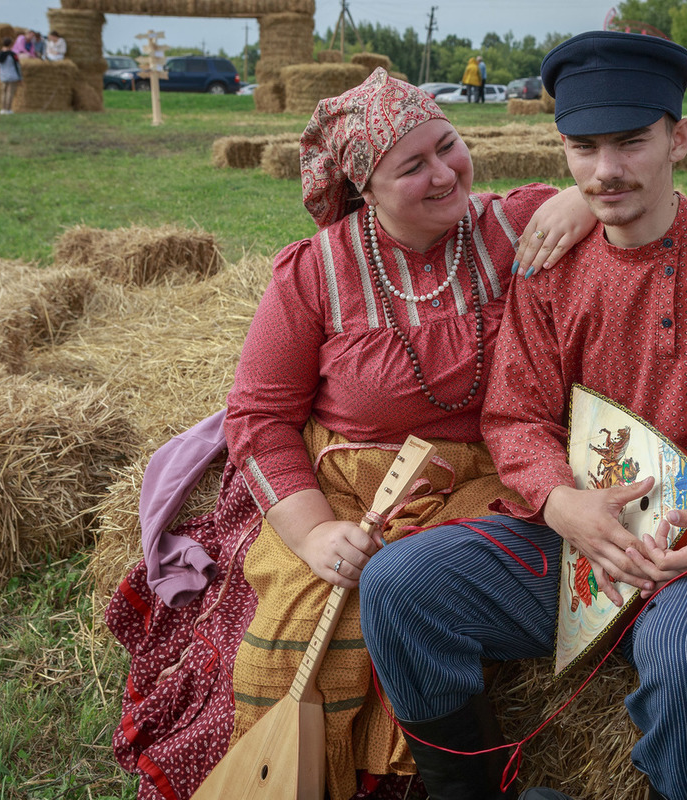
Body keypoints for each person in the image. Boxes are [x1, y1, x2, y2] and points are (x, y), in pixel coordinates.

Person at [359, 31, 687, 800]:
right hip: (577, 540)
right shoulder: (550, 265)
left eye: (630, 142)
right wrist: (564, 504)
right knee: (397, 584)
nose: (607, 170)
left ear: (679, 138)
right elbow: (517, 417)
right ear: (562, 150)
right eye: (584, 148)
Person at [105, 67, 596, 800]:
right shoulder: (316, 274)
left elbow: (631, 195)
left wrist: (581, 199)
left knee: (422, 602)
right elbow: (261, 418)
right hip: (351, 492)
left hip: (493, 478)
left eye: (449, 146)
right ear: (365, 187)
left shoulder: (516, 224)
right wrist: (312, 535)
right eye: (412, 165)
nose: (443, 173)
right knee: (305, 635)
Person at [0, 38, 21, 115]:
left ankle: (3, 109)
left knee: (4, 92)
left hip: (3, 75)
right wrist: (20, 77)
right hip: (12, 75)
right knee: (10, 92)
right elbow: (17, 66)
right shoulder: (12, 55)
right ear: (10, 45)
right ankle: (8, 109)